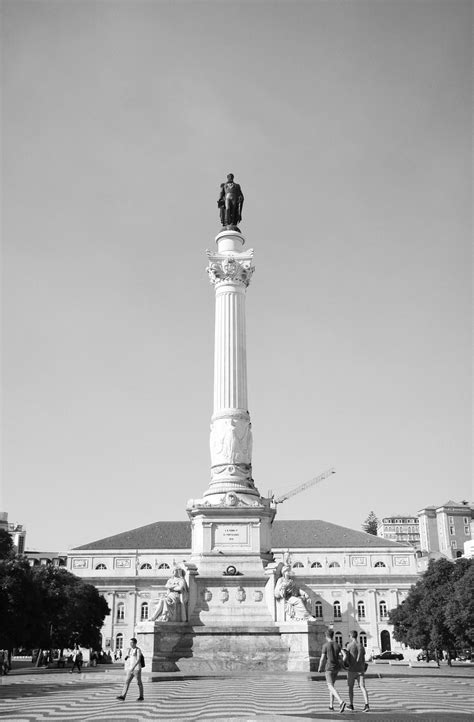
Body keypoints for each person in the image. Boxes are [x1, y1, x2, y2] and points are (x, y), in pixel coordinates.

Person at [318, 629, 346, 713]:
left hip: (329, 668)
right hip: (336, 668)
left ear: (326, 636)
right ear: (332, 635)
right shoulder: (337, 645)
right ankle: (331, 705)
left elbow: (322, 658)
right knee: (332, 686)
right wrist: (342, 663)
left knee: (330, 686)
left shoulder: (325, 645)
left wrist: (320, 667)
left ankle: (341, 701)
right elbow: (343, 655)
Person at [346, 630, 370, 712]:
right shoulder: (361, 646)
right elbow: (363, 655)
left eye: (349, 636)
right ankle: (367, 705)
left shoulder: (349, 646)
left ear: (351, 636)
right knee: (363, 687)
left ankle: (351, 704)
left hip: (352, 670)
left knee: (350, 688)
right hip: (360, 669)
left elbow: (347, 657)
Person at [116, 637, 144, 702]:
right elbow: (128, 658)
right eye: (130, 642)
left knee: (139, 683)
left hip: (136, 669)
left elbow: (138, 659)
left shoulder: (138, 650)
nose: (130, 644)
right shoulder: (130, 650)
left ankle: (141, 696)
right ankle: (123, 696)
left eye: (132, 642)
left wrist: (133, 667)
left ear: (135, 643)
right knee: (127, 682)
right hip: (130, 669)